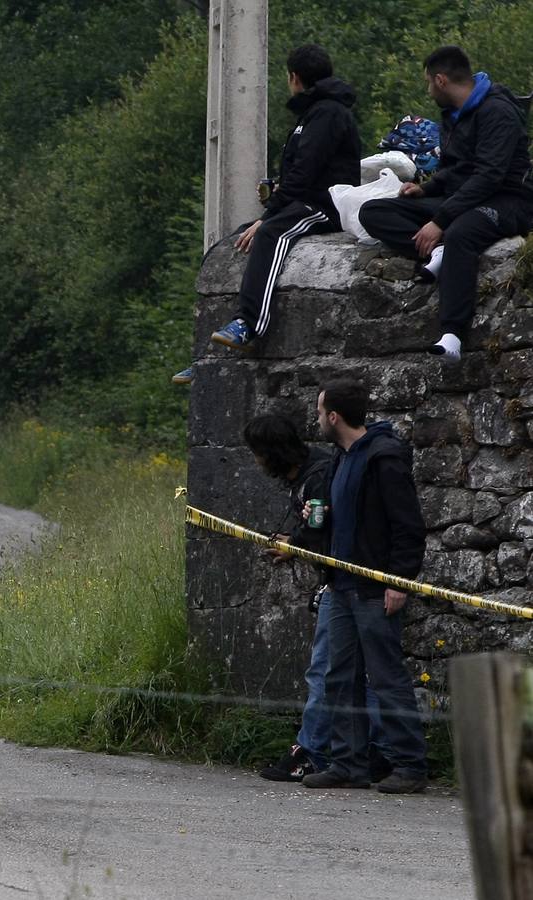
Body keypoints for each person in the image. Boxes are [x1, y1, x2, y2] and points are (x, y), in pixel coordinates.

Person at [174, 45, 360, 384]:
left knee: (271, 233)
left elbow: (306, 172)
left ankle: (249, 325)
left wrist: (270, 212)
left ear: (294, 77)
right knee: (232, 243)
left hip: (325, 205)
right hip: (302, 201)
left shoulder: (328, 113)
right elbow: (301, 172)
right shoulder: (313, 114)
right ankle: (206, 355)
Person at [359, 45, 533, 362]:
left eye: (428, 83)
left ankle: (452, 334)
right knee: (373, 211)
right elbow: (455, 169)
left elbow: (488, 176)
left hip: (509, 200)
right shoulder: (454, 115)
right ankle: (437, 252)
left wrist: (440, 220)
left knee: (461, 233)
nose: (428, 91)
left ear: (441, 80)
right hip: (462, 198)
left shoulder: (497, 112)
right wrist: (424, 190)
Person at [244, 414, 389, 783]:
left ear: (272, 453)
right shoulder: (317, 472)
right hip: (345, 582)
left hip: (346, 584)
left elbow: (324, 530)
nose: (256, 462)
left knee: (326, 670)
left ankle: (310, 751)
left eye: (258, 453)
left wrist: (296, 546)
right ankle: (378, 748)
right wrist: (295, 545)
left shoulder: (318, 475)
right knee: (356, 674)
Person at [301, 379, 428, 794]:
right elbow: (346, 518)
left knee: (387, 677)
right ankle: (348, 763)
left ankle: (409, 765)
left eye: (320, 412)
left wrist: (399, 581)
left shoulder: (384, 457)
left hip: (374, 588)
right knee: (340, 677)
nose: (318, 419)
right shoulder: (342, 458)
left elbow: (407, 526)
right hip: (341, 586)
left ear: (333, 416)